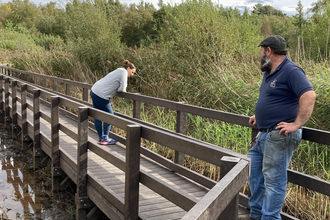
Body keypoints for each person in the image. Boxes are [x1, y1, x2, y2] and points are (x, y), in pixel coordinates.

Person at [247, 35, 316, 220]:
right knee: (253, 175)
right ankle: (255, 214)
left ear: (268, 50)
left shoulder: (290, 70)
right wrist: (259, 116)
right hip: (264, 135)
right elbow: (275, 99)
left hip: (278, 136)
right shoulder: (269, 72)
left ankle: (269, 218)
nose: (259, 55)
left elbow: (309, 95)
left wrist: (297, 124)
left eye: (261, 51)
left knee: (274, 182)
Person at [90, 60, 136, 145]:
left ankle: (101, 138)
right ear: (128, 68)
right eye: (132, 72)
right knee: (110, 115)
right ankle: (105, 137)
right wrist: (117, 89)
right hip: (101, 95)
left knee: (98, 115)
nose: (132, 74)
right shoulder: (123, 72)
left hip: (94, 91)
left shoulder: (118, 70)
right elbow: (123, 89)